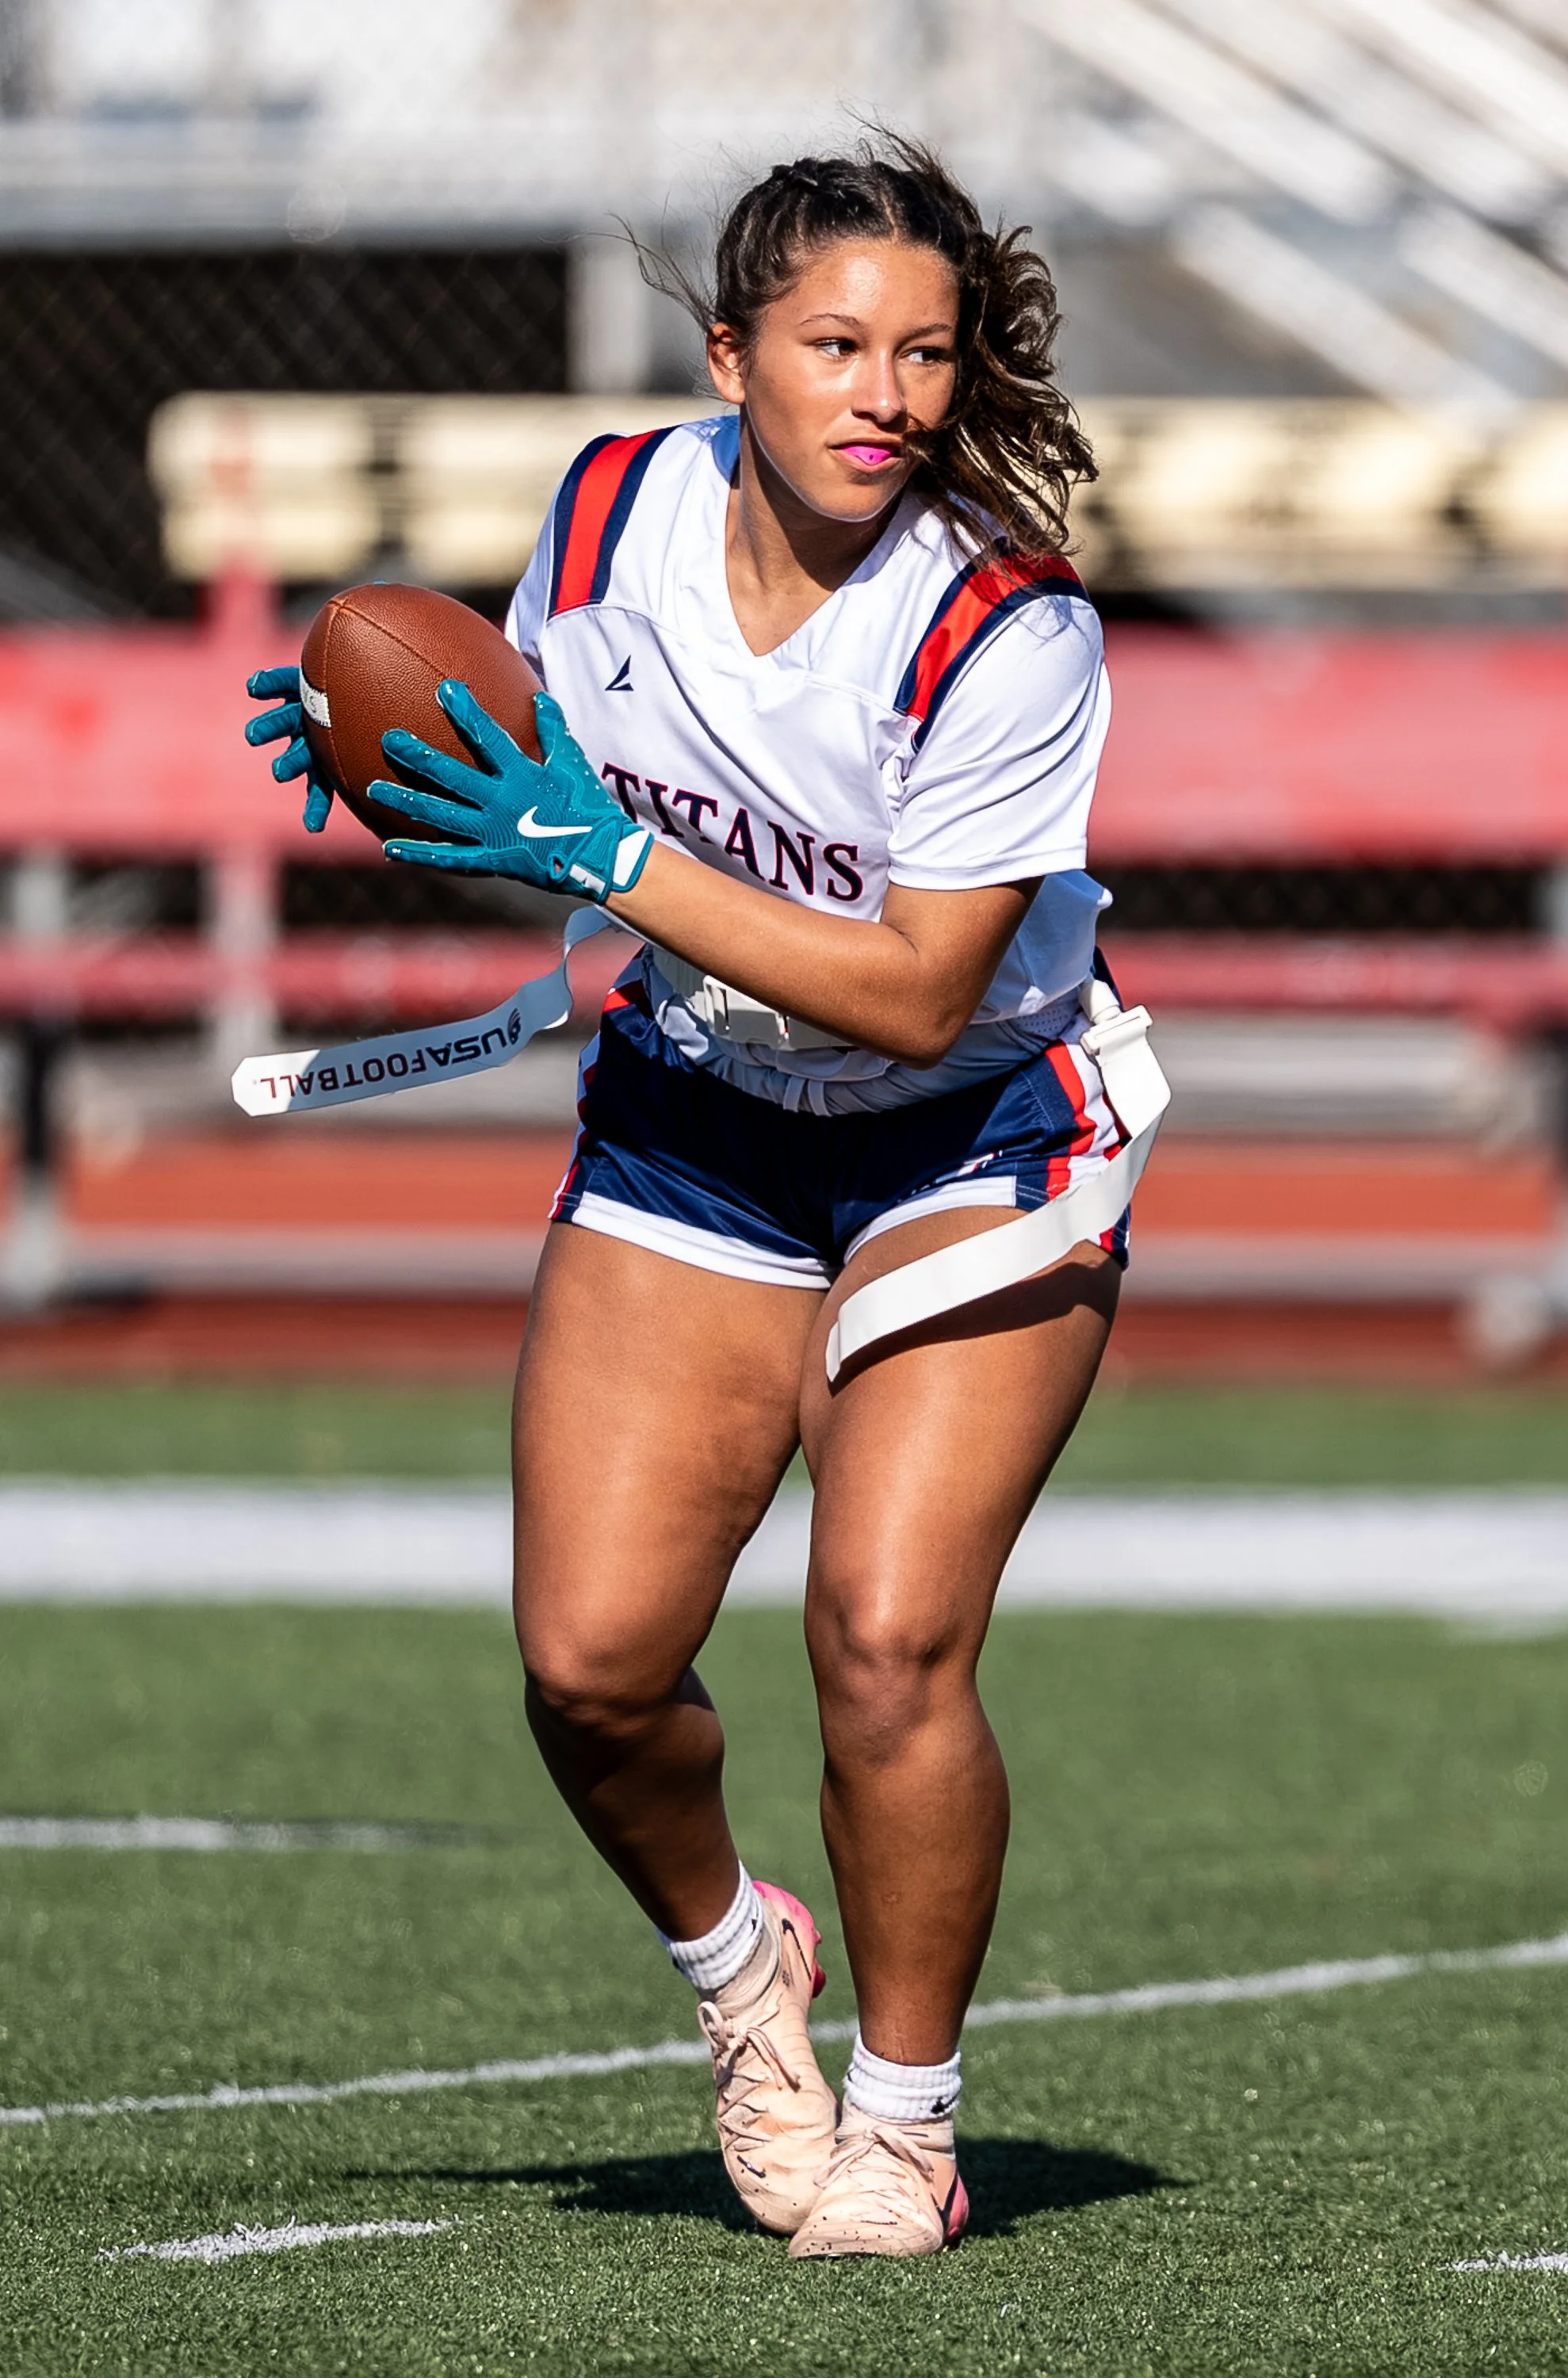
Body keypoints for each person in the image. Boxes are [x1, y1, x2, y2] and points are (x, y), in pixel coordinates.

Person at [247, 137, 1139, 2260]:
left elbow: (919, 995)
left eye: (925, 353)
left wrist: (608, 858)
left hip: (973, 1128)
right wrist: (418, 775)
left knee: (888, 1637)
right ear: (729, 354)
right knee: (590, 1668)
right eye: (835, 345)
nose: (885, 394)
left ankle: (904, 2120)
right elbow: (544, 797)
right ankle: (745, 1974)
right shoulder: (605, 519)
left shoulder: (1003, 625)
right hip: (697, 1113)